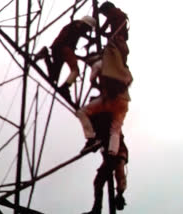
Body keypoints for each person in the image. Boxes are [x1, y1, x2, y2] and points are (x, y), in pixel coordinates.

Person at [76, 1, 132, 157]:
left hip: (117, 46)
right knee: (115, 129)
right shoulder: (121, 16)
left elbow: (102, 30)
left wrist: (94, 35)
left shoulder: (114, 15)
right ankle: (113, 153)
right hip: (123, 98)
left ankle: (92, 139)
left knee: (84, 112)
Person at [34, 16, 96, 102]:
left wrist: (89, 40)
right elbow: (79, 33)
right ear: (86, 25)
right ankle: (65, 88)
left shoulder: (73, 25)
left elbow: (79, 33)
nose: (88, 31)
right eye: (88, 28)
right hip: (64, 48)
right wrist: (92, 40)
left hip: (57, 48)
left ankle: (45, 54)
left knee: (53, 77)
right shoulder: (78, 26)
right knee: (75, 70)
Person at [82, 111, 128, 214]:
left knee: (117, 174)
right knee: (98, 182)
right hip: (109, 158)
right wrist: (89, 147)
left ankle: (101, 207)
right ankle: (97, 209)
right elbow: (93, 143)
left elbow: (120, 172)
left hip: (116, 155)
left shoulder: (112, 126)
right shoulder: (98, 128)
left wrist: (120, 192)